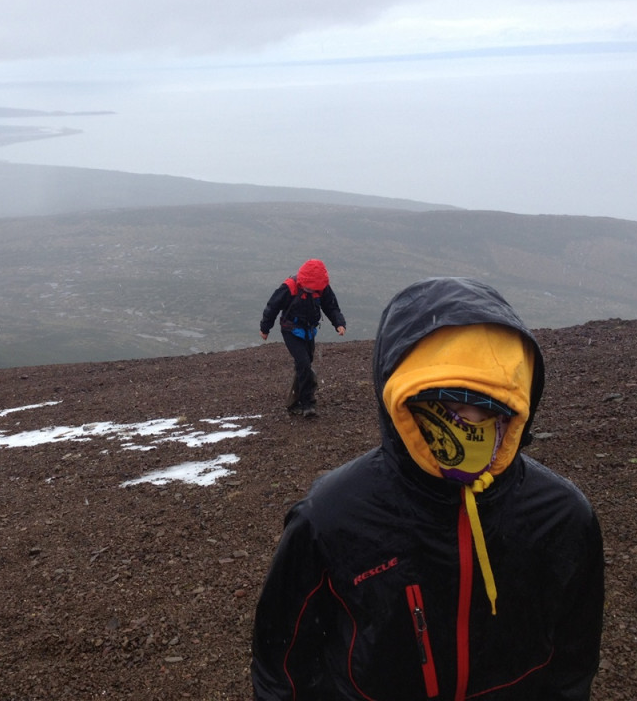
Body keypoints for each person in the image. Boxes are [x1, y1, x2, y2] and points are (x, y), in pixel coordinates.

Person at [252, 277, 604, 700]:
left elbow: (573, 660)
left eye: (491, 408)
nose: (469, 424)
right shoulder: (332, 517)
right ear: (399, 401)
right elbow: (283, 663)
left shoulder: (562, 518)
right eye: (447, 406)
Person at [259, 259, 347, 417]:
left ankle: (293, 401)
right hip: (290, 330)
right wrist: (265, 328)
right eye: (309, 288)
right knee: (304, 364)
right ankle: (308, 404)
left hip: (309, 331)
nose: (311, 291)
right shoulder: (289, 287)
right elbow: (272, 307)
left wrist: (339, 323)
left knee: (304, 366)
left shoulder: (322, 288)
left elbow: (331, 306)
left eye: (314, 289)